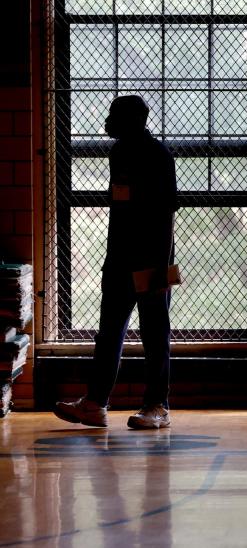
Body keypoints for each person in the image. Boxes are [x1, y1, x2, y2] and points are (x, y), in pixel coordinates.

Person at [54, 95, 179, 430]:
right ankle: (95, 403)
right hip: (120, 259)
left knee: (155, 334)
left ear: (135, 119)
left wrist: (159, 268)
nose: (107, 122)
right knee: (109, 332)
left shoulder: (158, 156)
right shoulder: (119, 152)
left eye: (114, 116)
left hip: (151, 259)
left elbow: (166, 213)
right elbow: (120, 209)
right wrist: (111, 261)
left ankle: (157, 406)